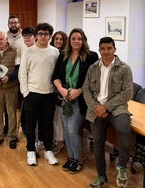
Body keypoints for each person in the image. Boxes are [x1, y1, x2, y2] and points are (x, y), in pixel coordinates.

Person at [83, 37, 133, 188]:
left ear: (114, 49)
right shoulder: (93, 68)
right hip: (96, 109)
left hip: (117, 108)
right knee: (98, 143)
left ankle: (122, 167)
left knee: (125, 130)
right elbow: (86, 90)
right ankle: (101, 176)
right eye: (103, 49)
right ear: (99, 50)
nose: (106, 52)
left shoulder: (124, 68)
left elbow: (127, 93)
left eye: (109, 48)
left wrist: (106, 107)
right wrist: (96, 107)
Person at [52, 28, 99, 173]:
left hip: (80, 100)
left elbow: (94, 80)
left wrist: (78, 91)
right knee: (66, 129)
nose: (76, 41)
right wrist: (61, 89)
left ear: (83, 40)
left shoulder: (91, 56)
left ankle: (78, 159)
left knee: (73, 130)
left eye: (79, 38)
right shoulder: (63, 55)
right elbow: (55, 76)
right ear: (69, 41)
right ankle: (71, 157)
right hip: (64, 98)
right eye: (73, 39)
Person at [19, 23, 59, 166]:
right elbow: (22, 73)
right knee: (30, 125)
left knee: (47, 124)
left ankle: (48, 150)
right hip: (32, 94)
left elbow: (57, 74)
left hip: (49, 94)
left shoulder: (55, 52)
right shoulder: (29, 51)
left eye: (46, 34)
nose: (43, 36)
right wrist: (25, 93)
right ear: (36, 36)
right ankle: (30, 151)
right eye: (41, 33)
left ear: (50, 36)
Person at [0, 31, 20, 149]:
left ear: (6, 39)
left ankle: (12, 137)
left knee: (11, 112)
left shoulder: (15, 51)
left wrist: (9, 77)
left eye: (1, 39)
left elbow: (18, 69)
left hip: (11, 87)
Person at [50, 31, 68, 154]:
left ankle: (60, 140)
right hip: (50, 90)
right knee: (54, 118)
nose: (58, 41)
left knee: (59, 118)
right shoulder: (50, 51)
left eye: (61, 39)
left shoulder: (66, 55)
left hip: (61, 90)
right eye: (56, 39)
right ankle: (56, 139)